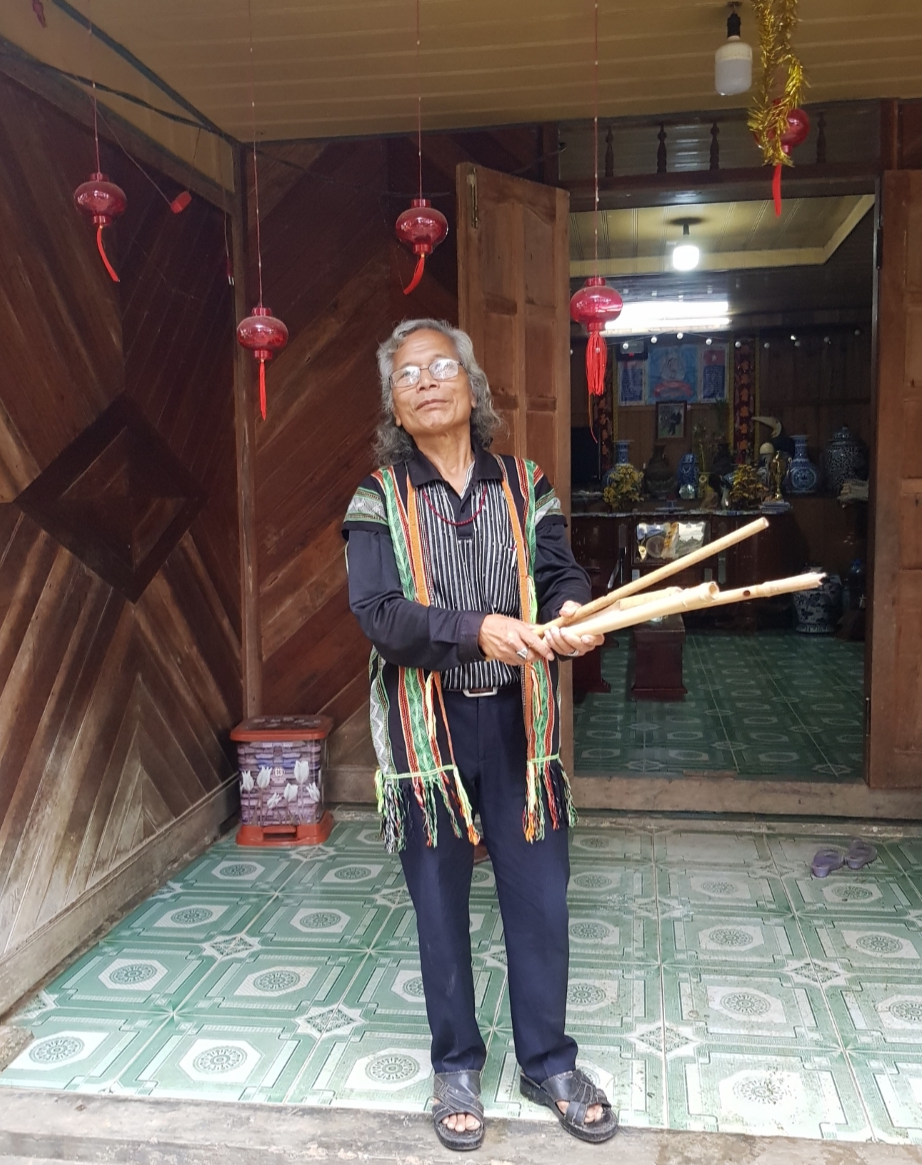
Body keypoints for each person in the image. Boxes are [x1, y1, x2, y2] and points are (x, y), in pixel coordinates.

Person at [342, 319, 618, 1151]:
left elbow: (560, 573)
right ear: (393, 404)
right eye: (407, 374)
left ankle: (548, 1061)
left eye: (440, 366)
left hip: (520, 725)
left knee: (540, 898)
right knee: (439, 904)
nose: (426, 381)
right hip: (427, 732)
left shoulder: (524, 485)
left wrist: (572, 612)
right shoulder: (375, 500)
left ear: (471, 383)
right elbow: (380, 614)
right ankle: (456, 1063)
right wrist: (478, 630)